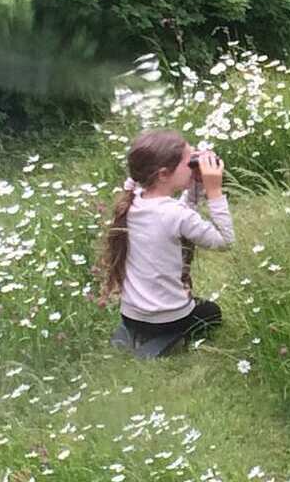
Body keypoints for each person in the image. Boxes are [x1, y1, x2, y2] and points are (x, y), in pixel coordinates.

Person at [97, 129, 234, 347]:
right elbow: (225, 241)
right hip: (169, 319)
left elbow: (176, 216)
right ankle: (169, 340)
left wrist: (196, 184)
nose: (193, 166)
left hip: (131, 315)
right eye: (189, 162)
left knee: (154, 314)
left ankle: (135, 335)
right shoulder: (175, 214)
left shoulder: (133, 201)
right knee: (211, 312)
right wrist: (214, 191)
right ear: (163, 174)